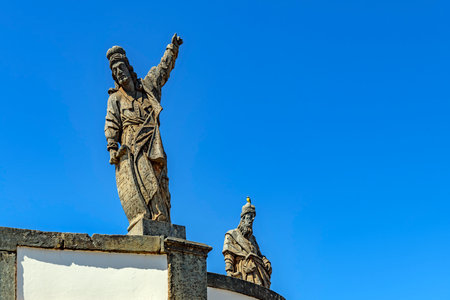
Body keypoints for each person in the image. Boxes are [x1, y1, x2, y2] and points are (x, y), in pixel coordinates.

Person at [104, 34, 183, 230]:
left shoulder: (147, 88)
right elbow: (111, 122)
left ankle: (163, 218)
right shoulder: (115, 99)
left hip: (153, 142)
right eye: (114, 72)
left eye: (120, 68)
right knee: (145, 183)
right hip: (132, 145)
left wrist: (172, 49)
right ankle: (154, 216)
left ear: (128, 68)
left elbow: (163, 70)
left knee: (160, 181)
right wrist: (112, 147)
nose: (119, 73)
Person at [222, 198, 272, 288]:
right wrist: (229, 271)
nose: (252, 220)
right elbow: (228, 254)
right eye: (250, 217)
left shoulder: (252, 239)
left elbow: (259, 254)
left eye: (253, 217)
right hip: (242, 270)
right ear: (243, 218)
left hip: (257, 271)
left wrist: (265, 261)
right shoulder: (231, 234)